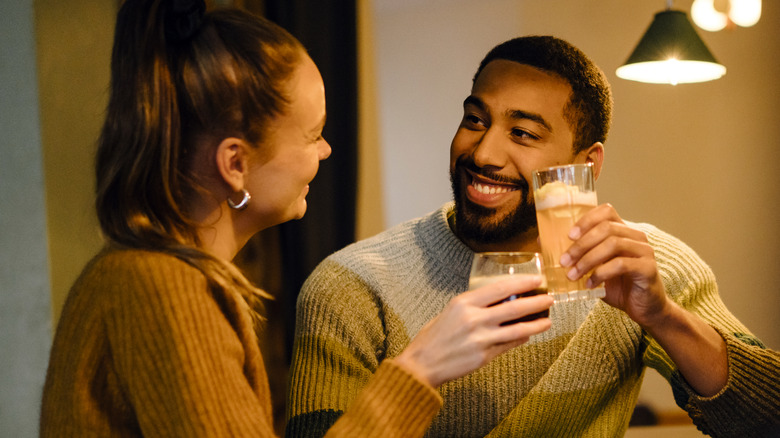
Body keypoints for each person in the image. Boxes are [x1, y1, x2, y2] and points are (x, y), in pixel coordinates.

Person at [39, 2, 558, 437]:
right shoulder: (165, 288)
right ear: (235, 164)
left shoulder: (145, 272)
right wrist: (419, 369)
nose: (327, 150)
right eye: (313, 135)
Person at [286, 35, 780, 437]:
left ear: (587, 163)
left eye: (522, 133)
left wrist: (665, 317)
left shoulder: (646, 267)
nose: (484, 153)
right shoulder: (351, 286)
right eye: (475, 120)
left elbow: (767, 419)